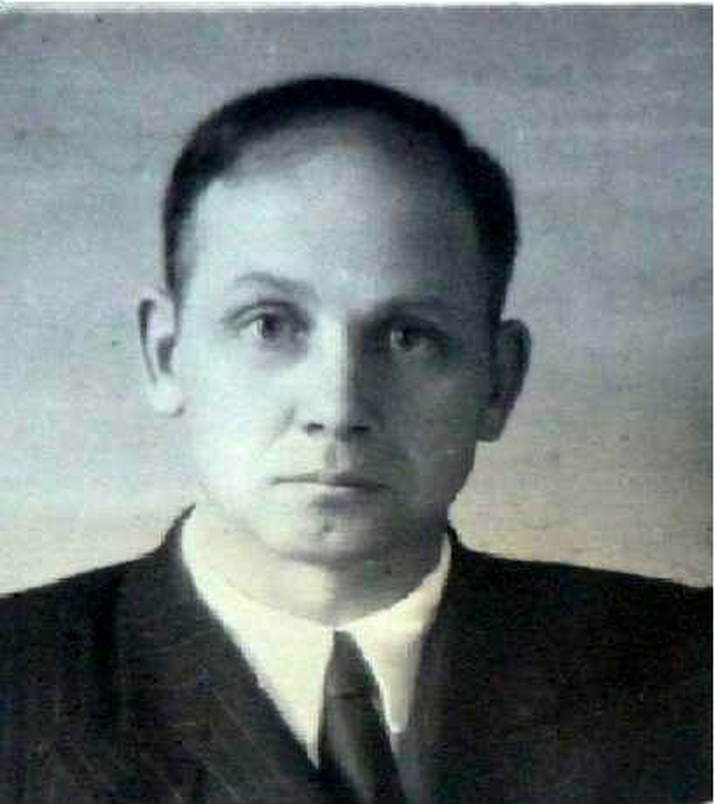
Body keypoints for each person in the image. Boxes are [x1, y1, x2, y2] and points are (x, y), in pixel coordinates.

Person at [0, 76, 710, 804]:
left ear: (499, 381)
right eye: (269, 325)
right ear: (164, 354)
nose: (336, 407)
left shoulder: (689, 667)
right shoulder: (16, 688)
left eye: (408, 337)